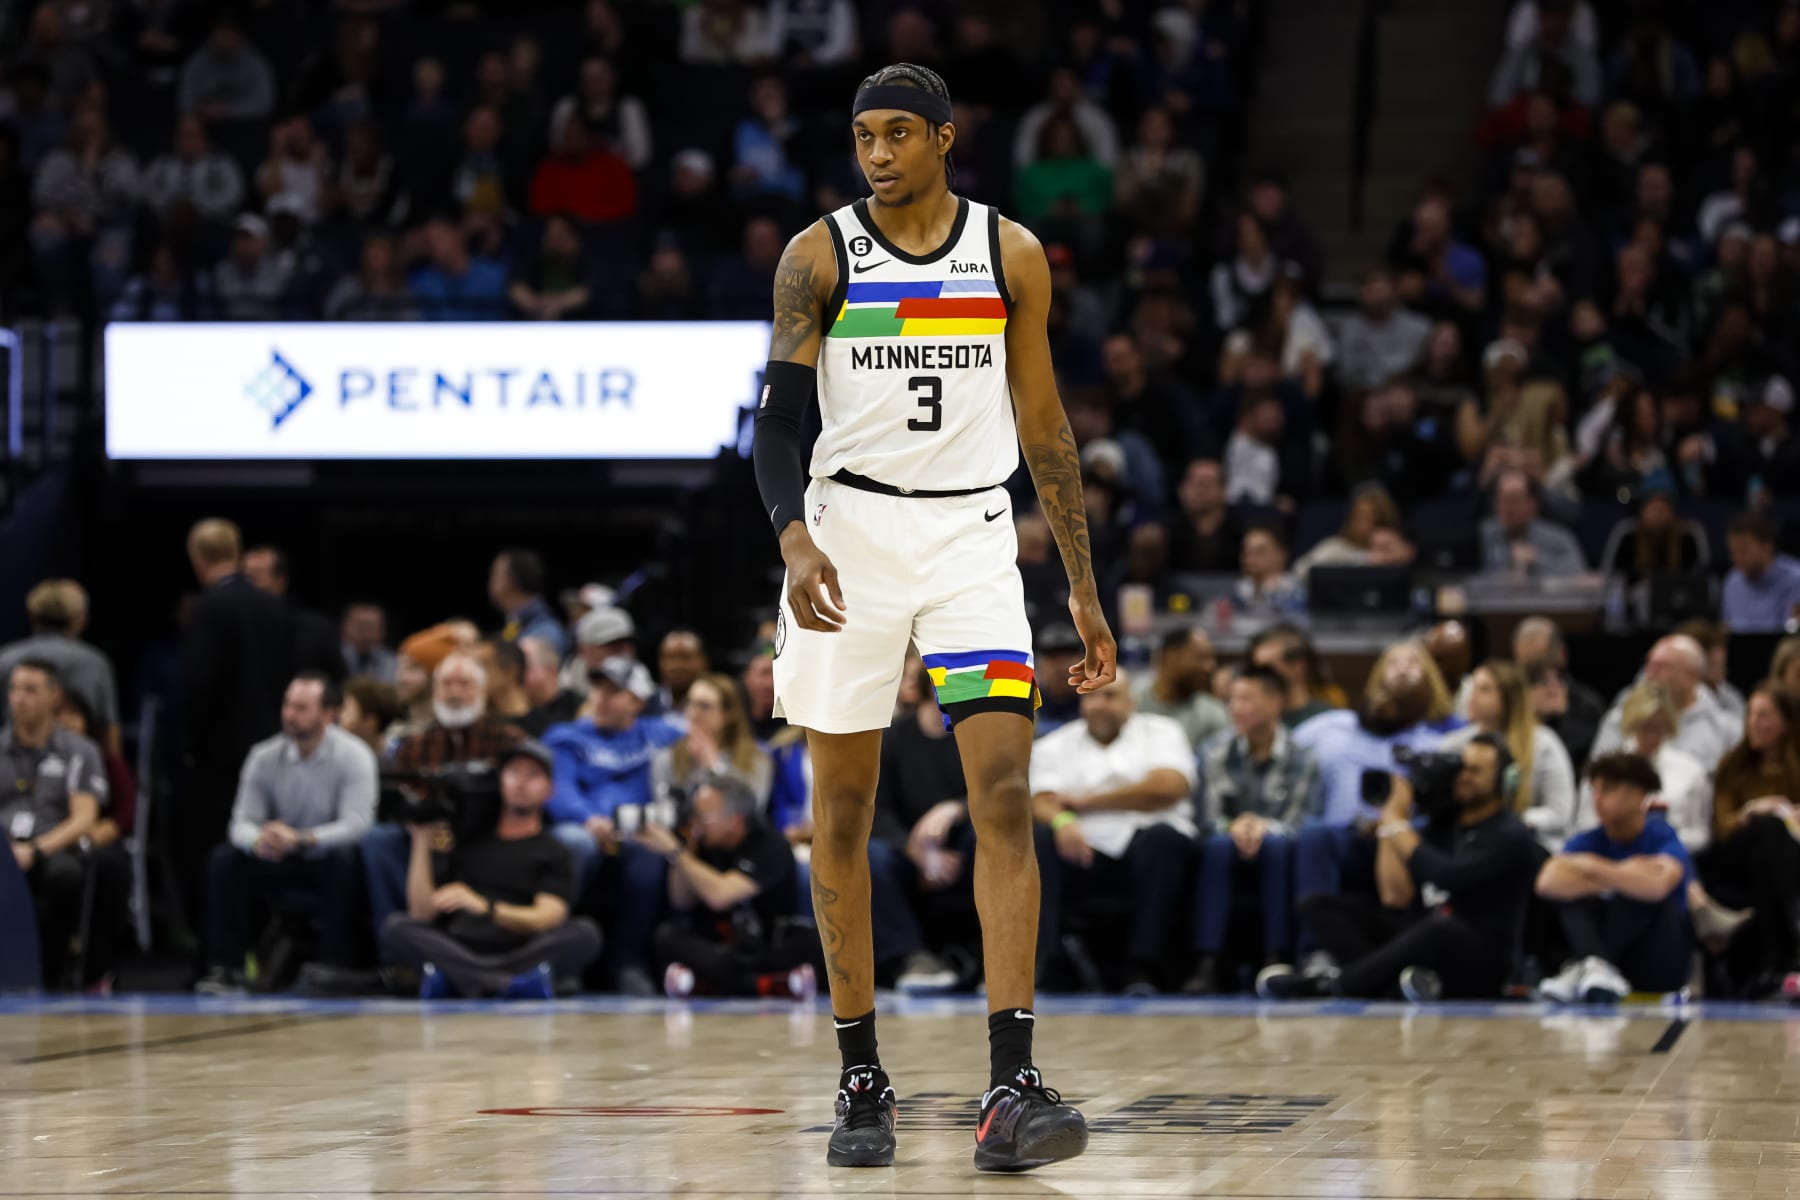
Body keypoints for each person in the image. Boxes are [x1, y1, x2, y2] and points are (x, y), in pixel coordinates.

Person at [752, 62, 1111, 1171]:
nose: (878, 154)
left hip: (970, 540)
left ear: (947, 139)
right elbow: (775, 421)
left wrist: (1084, 592)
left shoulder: (1010, 254)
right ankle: (861, 1078)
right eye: (864, 137)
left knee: (1005, 791)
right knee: (843, 813)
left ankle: (1014, 1080)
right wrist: (794, 536)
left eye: (899, 133)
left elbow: (1044, 422)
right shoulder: (818, 256)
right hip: (847, 535)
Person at [1258, 735, 1540, 1001]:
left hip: (1480, 957)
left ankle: (1335, 984)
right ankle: (1391, 985)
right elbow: (1394, 895)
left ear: (1504, 780)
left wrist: (1396, 823)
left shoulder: (1510, 835)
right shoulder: (1443, 824)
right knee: (1317, 906)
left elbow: (1447, 875)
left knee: (1441, 926)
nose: (1463, 777)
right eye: (1461, 768)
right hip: (1422, 939)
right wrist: (1391, 821)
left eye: (1476, 771)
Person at [382, 740, 601, 999]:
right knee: (396, 927)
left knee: (585, 934)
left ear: (549, 790)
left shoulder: (554, 851)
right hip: (460, 943)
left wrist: (486, 907)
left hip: (520, 947)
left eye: (533, 775)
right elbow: (422, 913)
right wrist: (420, 840)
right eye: (514, 772)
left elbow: (546, 918)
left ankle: (462, 980)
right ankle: (507, 984)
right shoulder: (468, 841)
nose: (521, 782)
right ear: (501, 782)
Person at [199, 672, 376, 993]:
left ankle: (331, 967)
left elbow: (357, 825)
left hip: (322, 856)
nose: (289, 715)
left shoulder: (355, 756)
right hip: (277, 855)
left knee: (346, 859)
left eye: (301, 708)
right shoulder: (263, 756)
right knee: (225, 860)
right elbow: (239, 822)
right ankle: (227, 968)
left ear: (328, 714)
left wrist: (303, 838)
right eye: (287, 705)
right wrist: (259, 840)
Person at [1030, 670, 1196, 996]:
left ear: (1131, 702)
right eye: (1091, 697)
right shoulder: (1056, 744)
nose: (1099, 705)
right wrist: (1062, 820)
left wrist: (1083, 801)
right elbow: (1040, 800)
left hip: (1147, 843)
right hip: (1083, 849)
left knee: (1163, 839)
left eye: (1110, 696)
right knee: (1040, 838)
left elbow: (1167, 787)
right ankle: (1049, 962)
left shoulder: (1161, 732)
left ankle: (1143, 968)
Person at [179, 519, 304, 936]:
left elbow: (200, 687)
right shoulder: (274, 605)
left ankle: (218, 954)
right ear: (237, 552)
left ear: (197, 559)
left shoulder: (208, 608)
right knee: (264, 847)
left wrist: (190, 749)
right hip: (275, 749)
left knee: (218, 854)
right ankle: (261, 944)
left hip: (220, 758)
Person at [542, 656, 684, 994]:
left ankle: (629, 963)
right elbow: (557, 788)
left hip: (637, 829)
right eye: (598, 689)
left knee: (651, 848)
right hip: (582, 826)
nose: (601, 698)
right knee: (574, 842)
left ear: (637, 701)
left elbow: (701, 732)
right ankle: (564, 961)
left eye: (614, 691)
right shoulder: (565, 736)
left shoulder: (660, 734)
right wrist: (588, 819)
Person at [1188, 666, 1318, 994]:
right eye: (1232, 699)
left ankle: (1277, 957)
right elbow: (1209, 817)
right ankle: (1208, 961)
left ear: (1276, 702)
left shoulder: (1303, 758)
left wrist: (1263, 827)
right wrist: (1236, 826)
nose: (1235, 707)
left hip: (1278, 847)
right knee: (1217, 845)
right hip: (1229, 842)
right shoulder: (1215, 751)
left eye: (1246, 698)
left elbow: (1300, 820)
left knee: (1275, 845)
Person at [1, 660, 124, 989]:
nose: (19, 698)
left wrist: (34, 851)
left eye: (30, 690)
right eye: (14, 689)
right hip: (3, 847)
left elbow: (84, 818)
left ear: (53, 696)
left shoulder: (79, 750)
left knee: (65, 876)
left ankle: (50, 972)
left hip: (50, 846)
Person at [643, 773, 819, 999]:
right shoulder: (702, 844)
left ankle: (711, 983)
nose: (695, 824)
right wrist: (685, 852)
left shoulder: (770, 845)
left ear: (734, 821)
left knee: (812, 943)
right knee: (667, 936)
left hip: (766, 944)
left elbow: (721, 896)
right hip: (721, 946)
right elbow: (680, 900)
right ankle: (767, 985)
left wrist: (674, 851)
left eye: (703, 818)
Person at [1537, 754, 1693, 1003]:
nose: (1598, 801)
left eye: (1608, 791)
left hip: (1658, 961)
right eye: (1594, 792)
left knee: (1637, 895)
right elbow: (1546, 882)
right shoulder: (1589, 840)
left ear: (1638, 794)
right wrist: (1626, 871)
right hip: (1615, 957)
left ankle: (1594, 964)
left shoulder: (1662, 835)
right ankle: (1597, 965)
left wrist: (1591, 870)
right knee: (1574, 898)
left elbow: (1658, 886)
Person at [1698, 684, 1800, 996]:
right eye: (1751, 714)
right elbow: (1721, 826)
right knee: (1768, 828)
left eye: (1764, 715)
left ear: (1785, 722)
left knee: (1767, 855)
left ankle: (1774, 968)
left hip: (1781, 860)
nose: (1754, 722)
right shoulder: (1734, 764)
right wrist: (1751, 811)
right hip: (1733, 855)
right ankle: (1796, 924)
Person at [1443, 661, 1578, 851]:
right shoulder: (1454, 745)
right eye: (1473, 688)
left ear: (1508, 698)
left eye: (1484, 690)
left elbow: (1560, 812)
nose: (1472, 697)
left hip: (1531, 843)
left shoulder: (1544, 743)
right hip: (1469, 838)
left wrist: (1512, 822)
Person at [0, 579, 119, 746]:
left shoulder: (5, 659)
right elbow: (108, 728)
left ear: (33, 616)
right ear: (79, 620)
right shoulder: (95, 663)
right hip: (79, 764)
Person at [1591, 636, 1736, 770]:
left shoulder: (1724, 728)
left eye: (1661, 666)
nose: (1649, 674)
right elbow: (1592, 778)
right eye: (1649, 664)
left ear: (1691, 675)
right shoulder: (1620, 718)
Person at [650, 672, 773, 811]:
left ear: (728, 714)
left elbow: (750, 812)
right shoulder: (666, 758)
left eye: (704, 706)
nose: (692, 714)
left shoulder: (756, 760)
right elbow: (666, 814)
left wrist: (715, 767)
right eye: (689, 703)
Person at [1131, 628, 1228, 750]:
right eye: (1201, 658)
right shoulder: (1132, 702)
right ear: (1171, 657)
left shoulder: (1212, 713)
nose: (1210, 667)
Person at [1480, 470, 1588, 576]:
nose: (1508, 509)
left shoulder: (1558, 539)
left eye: (1514, 501)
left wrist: (1537, 560)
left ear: (1532, 505)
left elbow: (1578, 577)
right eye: (1502, 501)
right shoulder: (1481, 536)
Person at [1721, 512, 1800, 634]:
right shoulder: (1732, 581)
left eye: (1743, 550)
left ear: (1767, 546)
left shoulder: (1796, 579)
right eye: (1733, 552)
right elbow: (1726, 630)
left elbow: (1793, 634)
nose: (1736, 558)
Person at [1248, 625, 1340, 728]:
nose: (1259, 677)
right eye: (1255, 670)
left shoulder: (1326, 720)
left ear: (1298, 666)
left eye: (1267, 669)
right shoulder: (1254, 721)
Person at [489, 549, 568, 658]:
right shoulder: (514, 624)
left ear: (510, 580)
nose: (490, 582)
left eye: (495, 573)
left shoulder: (545, 633)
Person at [339, 676, 403, 759]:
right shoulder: (339, 753)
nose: (339, 715)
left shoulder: (400, 756)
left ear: (370, 722)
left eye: (346, 709)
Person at [340, 603, 396, 683]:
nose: (365, 632)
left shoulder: (394, 663)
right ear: (345, 626)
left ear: (382, 630)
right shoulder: (331, 658)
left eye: (371, 626)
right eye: (360, 625)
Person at [656, 630, 709, 712]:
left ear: (703, 662)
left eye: (685, 657)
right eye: (670, 658)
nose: (677, 665)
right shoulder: (644, 705)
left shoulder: (716, 707)